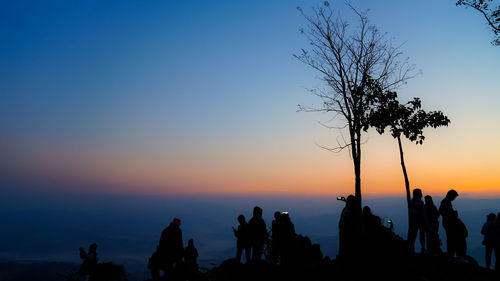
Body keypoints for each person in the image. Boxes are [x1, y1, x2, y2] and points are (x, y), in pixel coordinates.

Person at [439, 190, 461, 258]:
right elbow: (443, 212)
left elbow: (442, 211)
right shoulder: (446, 202)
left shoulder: (446, 201)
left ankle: (451, 253)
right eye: (454, 196)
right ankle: (451, 253)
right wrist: (453, 213)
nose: (454, 198)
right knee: (451, 238)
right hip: (448, 223)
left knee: (451, 238)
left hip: (448, 223)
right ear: (451, 195)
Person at [409, 188, 426, 253]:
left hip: (414, 220)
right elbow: (421, 212)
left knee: (414, 234)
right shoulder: (419, 201)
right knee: (421, 235)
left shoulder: (412, 201)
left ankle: (411, 248)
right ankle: (423, 248)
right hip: (420, 220)